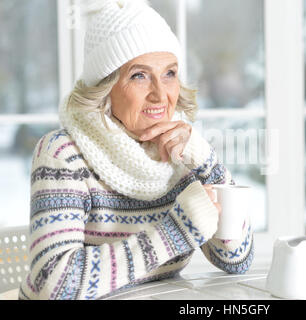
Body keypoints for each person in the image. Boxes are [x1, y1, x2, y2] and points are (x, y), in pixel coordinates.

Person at [19, 0, 254, 300]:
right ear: (104, 88)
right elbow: (53, 286)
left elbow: (235, 259)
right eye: (139, 75)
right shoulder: (63, 154)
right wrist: (176, 232)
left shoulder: (180, 151)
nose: (160, 93)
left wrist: (206, 162)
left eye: (169, 73)